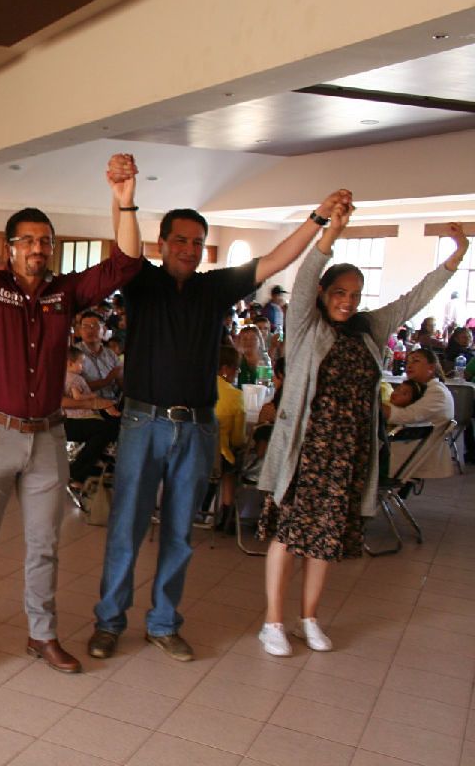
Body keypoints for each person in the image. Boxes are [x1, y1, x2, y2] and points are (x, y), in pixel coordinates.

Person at [89, 182, 356, 664]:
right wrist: (124, 197)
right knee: (126, 528)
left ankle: (164, 624)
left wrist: (317, 219)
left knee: (178, 532)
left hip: (196, 427)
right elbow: (124, 243)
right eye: (180, 241)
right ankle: (109, 623)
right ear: (163, 244)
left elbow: (275, 260)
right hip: (141, 423)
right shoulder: (140, 280)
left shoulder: (215, 288)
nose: (189, 250)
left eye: (196, 242)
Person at [0, 146, 142, 677]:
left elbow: (126, 263)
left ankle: (42, 634)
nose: (38, 248)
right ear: (8, 249)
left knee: (44, 546)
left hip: (48, 437)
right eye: (27, 241)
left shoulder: (65, 294)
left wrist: (123, 202)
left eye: (45, 242)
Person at [256, 218, 467, 657]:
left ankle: (308, 617)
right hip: (304, 452)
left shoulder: (369, 329)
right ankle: (273, 622)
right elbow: (309, 271)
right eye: (339, 293)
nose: (348, 302)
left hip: (348, 453)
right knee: (288, 536)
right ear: (323, 294)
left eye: (354, 294)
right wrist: (329, 235)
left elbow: (413, 300)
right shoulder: (304, 327)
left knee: (326, 540)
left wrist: (456, 257)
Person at [383, 349, 456, 479]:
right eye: (408, 362)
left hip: (410, 456)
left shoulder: (437, 393)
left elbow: (405, 416)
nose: (409, 365)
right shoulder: (422, 389)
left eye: (416, 361)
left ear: (431, 368)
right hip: (406, 451)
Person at [62, 347, 122, 500]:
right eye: (81, 363)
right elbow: (74, 398)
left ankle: (102, 466)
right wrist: (96, 401)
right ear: (70, 363)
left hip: (83, 412)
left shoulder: (109, 355)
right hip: (71, 417)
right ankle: (77, 473)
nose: (83, 367)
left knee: (115, 423)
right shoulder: (72, 378)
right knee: (106, 430)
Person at [209, 346, 246, 528]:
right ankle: (227, 514)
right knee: (231, 466)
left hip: (185, 452)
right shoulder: (235, 396)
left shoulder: (196, 387)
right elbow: (238, 439)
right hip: (216, 459)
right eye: (235, 368)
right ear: (225, 369)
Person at [75, 310, 122, 401]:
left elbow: (121, 381)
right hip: (87, 409)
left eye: (95, 326)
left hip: (112, 403)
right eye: (85, 326)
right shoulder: (73, 353)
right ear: (80, 331)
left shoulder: (110, 354)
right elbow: (74, 387)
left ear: (103, 330)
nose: (89, 330)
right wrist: (107, 380)